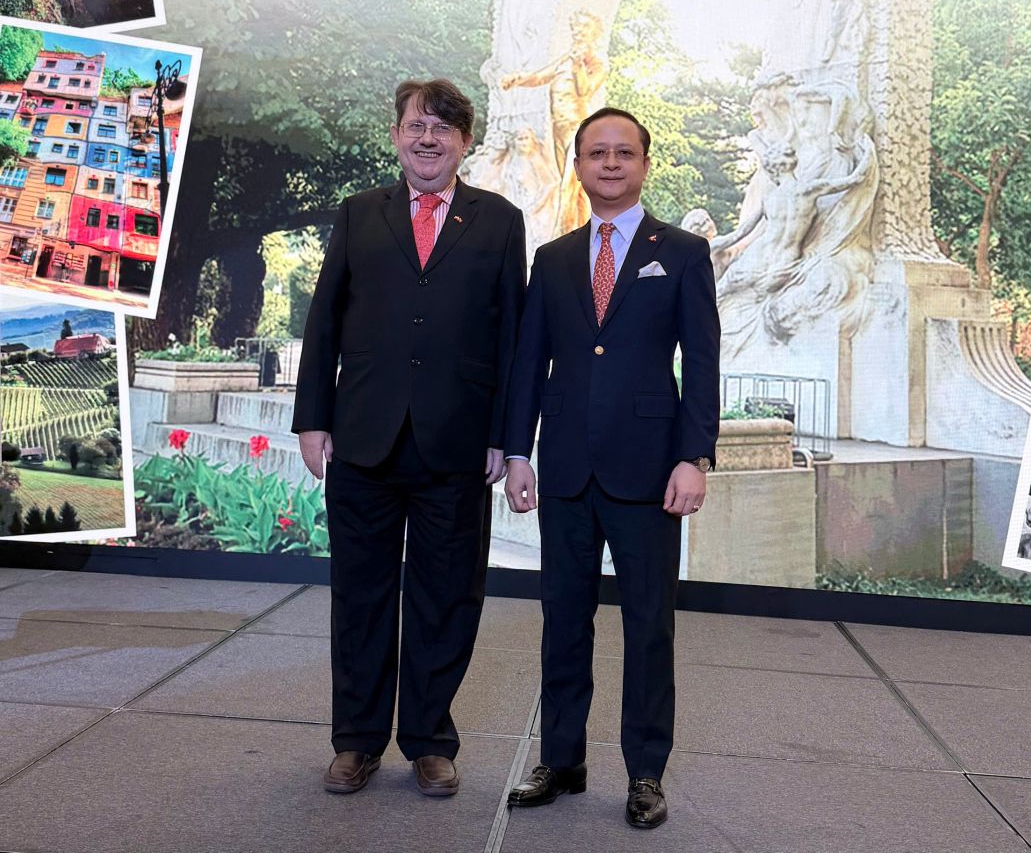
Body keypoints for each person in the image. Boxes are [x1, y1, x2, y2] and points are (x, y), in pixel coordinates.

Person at [292, 78, 526, 799]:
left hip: (457, 445)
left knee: (446, 598)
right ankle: (356, 742)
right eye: (417, 126)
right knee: (360, 597)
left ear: (465, 143)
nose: (429, 139)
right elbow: (325, 320)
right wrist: (312, 417)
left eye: (444, 129)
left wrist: (505, 435)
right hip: (362, 438)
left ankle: (429, 741)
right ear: (396, 135)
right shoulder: (359, 213)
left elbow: (513, 339)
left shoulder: (500, 221)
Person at [503, 106, 720, 830]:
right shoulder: (554, 258)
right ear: (579, 166)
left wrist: (694, 456)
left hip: (650, 472)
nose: (611, 164)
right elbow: (530, 363)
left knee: (649, 627)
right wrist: (517, 452)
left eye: (624, 152)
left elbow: (703, 364)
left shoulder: (682, 253)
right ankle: (561, 761)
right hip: (566, 469)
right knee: (562, 621)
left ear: (645, 164)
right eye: (597, 153)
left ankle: (646, 773)